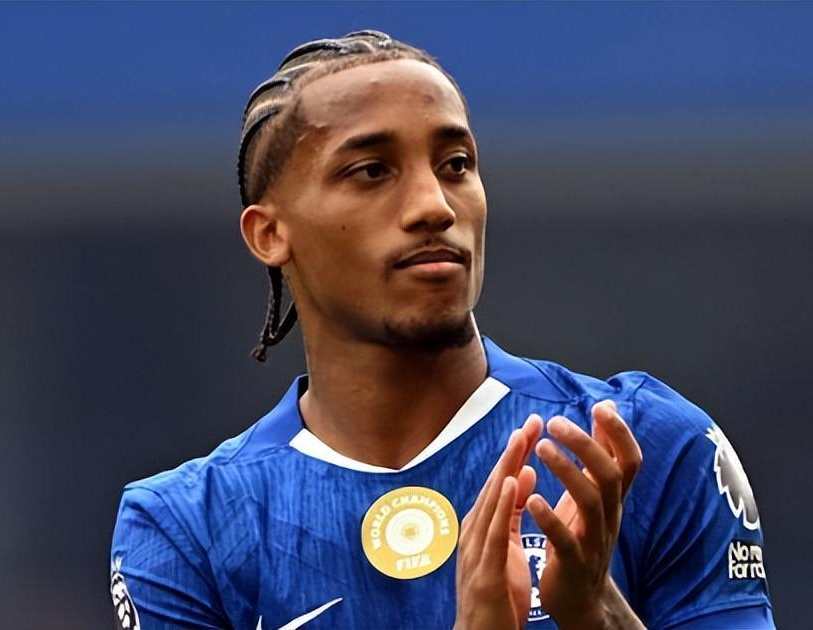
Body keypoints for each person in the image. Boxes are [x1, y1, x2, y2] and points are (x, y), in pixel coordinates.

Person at [110, 30, 774, 630]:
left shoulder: (645, 447)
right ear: (269, 234)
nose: (434, 205)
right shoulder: (186, 528)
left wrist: (596, 618)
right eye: (372, 171)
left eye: (455, 164)